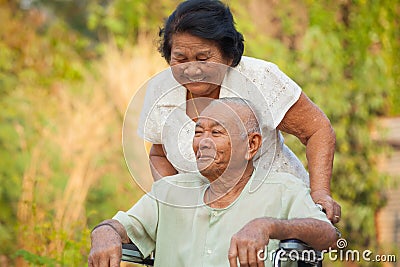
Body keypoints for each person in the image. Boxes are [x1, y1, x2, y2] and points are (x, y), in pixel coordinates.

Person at [136, 0, 341, 223]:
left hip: (279, 215)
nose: (191, 68)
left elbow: (317, 130)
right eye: (180, 59)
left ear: (229, 56)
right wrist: (173, 202)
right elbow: (159, 153)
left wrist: (320, 193)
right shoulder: (160, 89)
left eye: (203, 58)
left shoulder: (259, 78)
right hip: (207, 222)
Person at [90, 98, 338, 267]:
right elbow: (119, 226)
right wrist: (104, 232)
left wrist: (270, 226)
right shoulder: (170, 191)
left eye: (216, 133)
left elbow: (328, 236)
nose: (203, 142)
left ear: (251, 145)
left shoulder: (283, 190)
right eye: (198, 132)